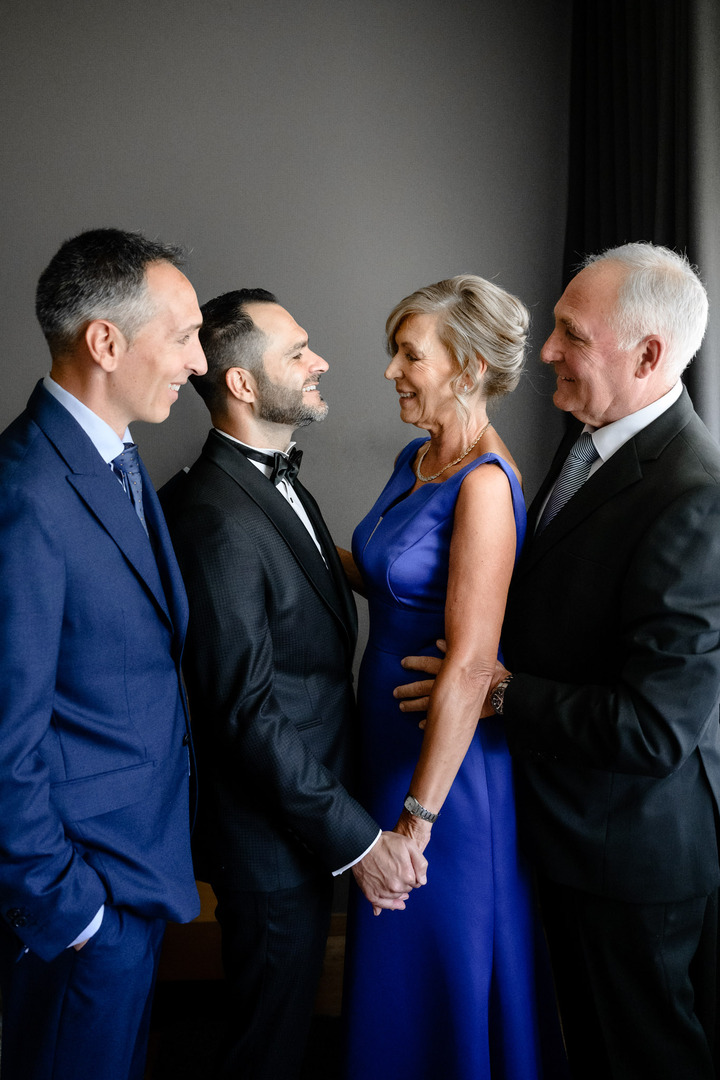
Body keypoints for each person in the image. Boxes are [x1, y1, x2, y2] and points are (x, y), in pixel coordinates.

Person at [397, 244, 720, 1079]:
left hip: (629, 861)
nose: (543, 352)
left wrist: (499, 692)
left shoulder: (695, 495)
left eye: (570, 335)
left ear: (648, 355)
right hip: (566, 833)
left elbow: (653, 731)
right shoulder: (593, 444)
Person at [159, 289, 426, 1080]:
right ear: (242, 385)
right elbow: (243, 710)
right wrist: (358, 841)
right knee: (265, 1048)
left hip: (301, 821)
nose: (321, 363)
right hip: (269, 841)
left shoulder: (273, 482)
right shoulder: (213, 514)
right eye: (298, 352)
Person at [341, 275, 567, 1080]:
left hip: (445, 772)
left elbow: (471, 663)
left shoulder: (483, 487)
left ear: (468, 366)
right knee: (393, 954)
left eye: (411, 354)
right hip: (384, 742)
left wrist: (418, 821)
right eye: (394, 353)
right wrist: (281, 523)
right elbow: (388, 574)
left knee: (434, 948)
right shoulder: (419, 458)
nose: (395, 371)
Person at [0, 227, 206, 1080]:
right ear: (106, 341)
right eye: (185, 335)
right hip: (84, 909)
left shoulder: (116, 460)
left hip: (136, 877)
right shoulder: (23, 492)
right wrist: (75, 912)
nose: (197, 362)